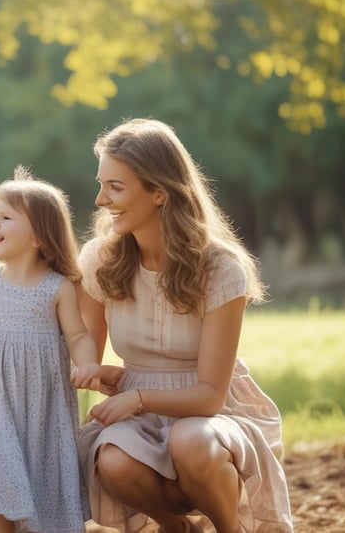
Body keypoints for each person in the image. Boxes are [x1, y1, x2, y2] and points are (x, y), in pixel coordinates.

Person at [76, 118, 293, 533]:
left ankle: (231, 529)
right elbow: (84, 346)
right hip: (135, 406)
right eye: (101, 184)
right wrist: (93, 370)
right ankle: (178, 529)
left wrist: (138, 397)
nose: (101, 200)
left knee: (191, 441)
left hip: (211, 410)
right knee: (113, 460)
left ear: (159, 192)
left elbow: (210, 396)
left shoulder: (220, 268)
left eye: (115, 187)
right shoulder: (99, 260)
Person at [0, 166, 102, 533]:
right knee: (0, 467)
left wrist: (86, 363)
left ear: (39, 237)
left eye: (6, 217)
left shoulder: (57, 288)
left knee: (40, 470)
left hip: (43, 404)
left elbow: (77, 336)